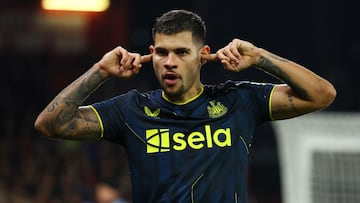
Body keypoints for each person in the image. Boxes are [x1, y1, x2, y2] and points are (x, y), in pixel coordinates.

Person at [34, 9, 336, 203]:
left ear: (203, 55)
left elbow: (321, 93)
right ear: (151, 54)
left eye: (181, 52)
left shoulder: (238, 101)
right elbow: (50, 123)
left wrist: (259, 57)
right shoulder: (130, 110)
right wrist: (100, 70)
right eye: (162, 53)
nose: (170, 63)